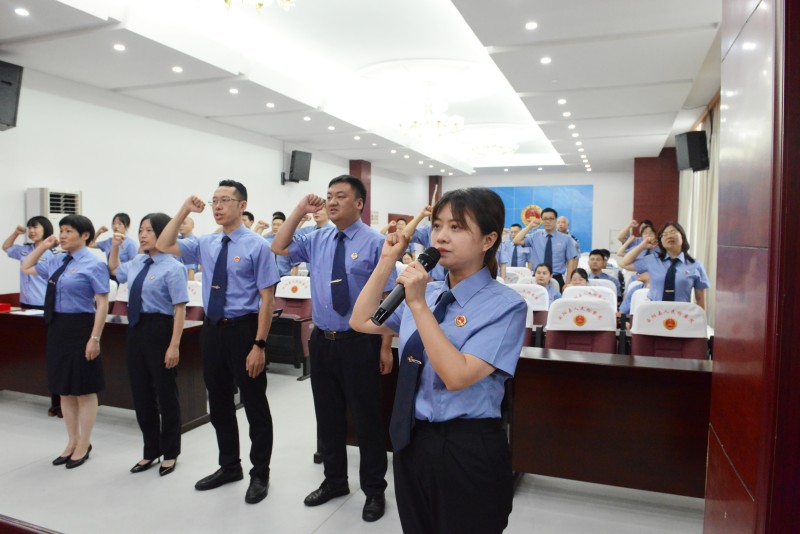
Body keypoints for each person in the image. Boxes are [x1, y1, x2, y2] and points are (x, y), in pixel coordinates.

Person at [349, 187, 527, 533]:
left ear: (488, 239)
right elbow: (361, 321)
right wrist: (387, 260)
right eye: (437, 226)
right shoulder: (428, 291)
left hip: (467, 446)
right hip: (412, 439)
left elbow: (457, 376)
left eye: (456, 227)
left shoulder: (506, 306)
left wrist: (417, 305)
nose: (441, 236)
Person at [270, 175, 395, 523]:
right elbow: (279, 246)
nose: (333, 202)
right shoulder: (317, 238)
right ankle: (335, 481)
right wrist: (300, 209)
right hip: (322, 340)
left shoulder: (376, 243)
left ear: (359, 203)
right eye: (329, 197)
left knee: (367, 420)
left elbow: (388, 298)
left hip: (360, 342)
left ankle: (374, 490)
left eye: (341, 196)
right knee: (328, 417)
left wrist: (386, 345)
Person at [156, 179, 279, 504]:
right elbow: (164, 244)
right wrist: (184, 209)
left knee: (254, 404)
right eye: (214, 201)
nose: (218, 207)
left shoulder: (257, 246)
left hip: (244, 330)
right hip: (212, 330)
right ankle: (229, 466)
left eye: (225, 200)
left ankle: (260, 473)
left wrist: (259, 345)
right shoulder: (206, 243)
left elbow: (267, 299)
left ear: (242, 205)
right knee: (220, 403)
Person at [22, 215, 109, 469]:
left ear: (85, 235)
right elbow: (26, 266)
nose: (62, 235)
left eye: (69, 231)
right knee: (64, 388)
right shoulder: (56, 260)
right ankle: (72, 441)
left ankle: (85, 443)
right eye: (61, 230)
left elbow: (102, 304)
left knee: (84, 388)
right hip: (57, 327)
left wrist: (95, 338)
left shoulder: (94, 264)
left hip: (82, 327)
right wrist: (44, 245)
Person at [109, 213, 188, 477]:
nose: (142, 235)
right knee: (141, 393)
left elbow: (179, 309)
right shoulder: (137, 261)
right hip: (135, 329)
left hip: (161, 329)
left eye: (149, 230)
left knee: (166, 394)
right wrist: (115, 247)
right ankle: (150, 450)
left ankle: (171, 452)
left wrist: (174, 345)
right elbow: (114, 270)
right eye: (141, 230)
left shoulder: (173, 267)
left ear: (164, 233)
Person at [3, 216, 61, 416]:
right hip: (25, 305)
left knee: (48, 352)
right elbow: (6, 247)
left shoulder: (52, 252)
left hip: (43, 306)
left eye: (35, 227)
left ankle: (56, 401)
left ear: (45, 229)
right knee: (29, 348)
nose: (32, 231)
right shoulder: (25, 249)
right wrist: (16, 233)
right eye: (29, 228)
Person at [621, 221, 709, 310]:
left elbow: (700, 300)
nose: (669, 236)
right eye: (665, 234)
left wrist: (702, 318)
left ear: (682, 237)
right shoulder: (652, 260)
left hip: (682, 314)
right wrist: (642, 245)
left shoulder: (695, 265)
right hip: (654, 313)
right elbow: (624, 263)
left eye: (673, 232)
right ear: (661, 241)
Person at [513, 207, 578, 289]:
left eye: (551, 219)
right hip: (537, 277)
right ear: (542, 220)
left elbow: (571, 261)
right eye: (545, 219)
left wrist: (568, 282)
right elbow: (516, 240)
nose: (548, 221)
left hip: (557, 277)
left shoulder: (566, 239)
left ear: (556, 220)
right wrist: (529, 226)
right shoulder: (535, 236)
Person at [178, 217, 199, 281]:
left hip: (189, 276)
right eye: (179, 223)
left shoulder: (193, 242)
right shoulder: (177, 239)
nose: (181, 225)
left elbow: (190, 267)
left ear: (192, 226)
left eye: (184, 223)